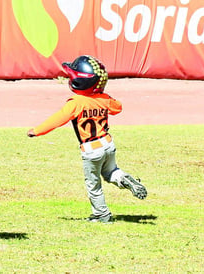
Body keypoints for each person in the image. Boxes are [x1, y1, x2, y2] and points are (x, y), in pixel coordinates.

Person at [27, 55, 147, 223]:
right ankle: (123, 178)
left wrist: (37, 131)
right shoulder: (103, 99)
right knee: (110, 172)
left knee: (94, 185)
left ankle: (102, 215)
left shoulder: (76, 103)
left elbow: (58, 119)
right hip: (108, 143)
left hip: (92, 150)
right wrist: (102, 96)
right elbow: (118, 107)